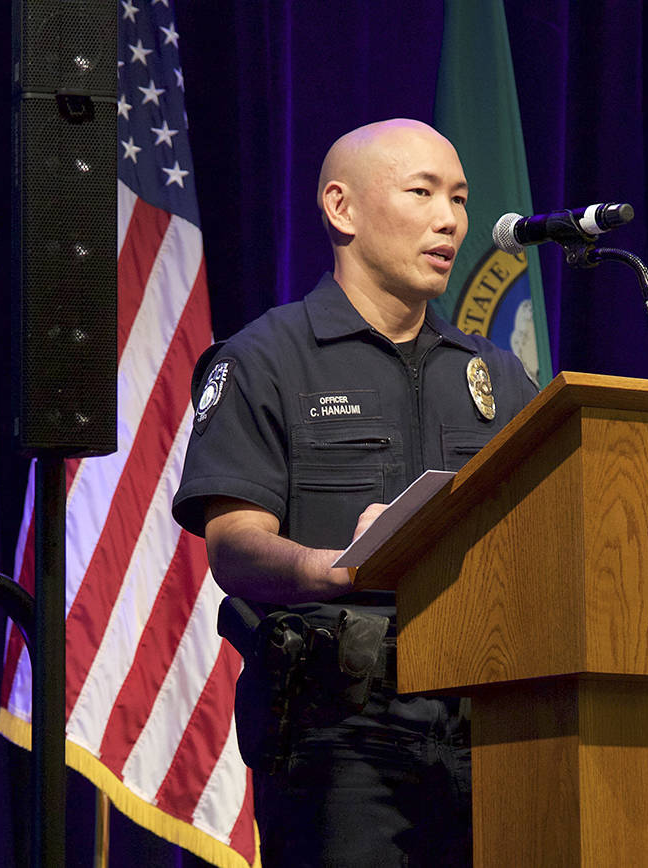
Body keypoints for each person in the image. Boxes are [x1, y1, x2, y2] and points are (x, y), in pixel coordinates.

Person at [172, 118, 539, 867]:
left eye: (461, 198)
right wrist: (329, 567)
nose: (452, 219)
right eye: (423, 192)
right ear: (342, 209)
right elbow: (233, 545)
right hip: (341, 733)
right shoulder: (265, 359)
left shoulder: (496, 376)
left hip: (490, 724)